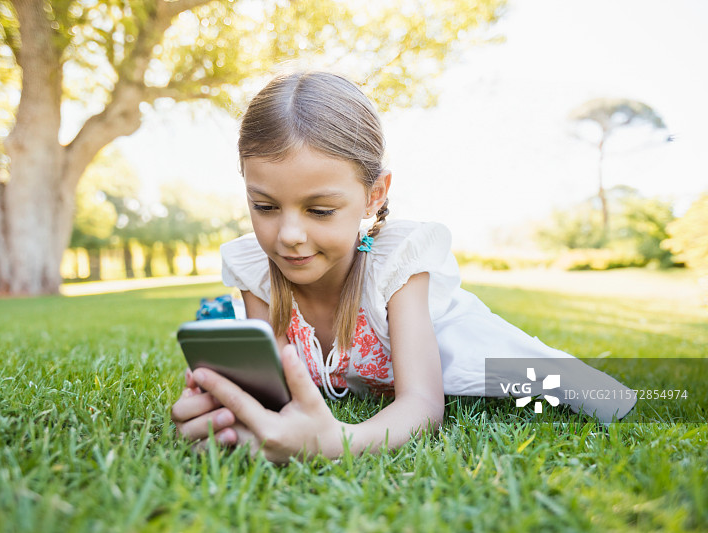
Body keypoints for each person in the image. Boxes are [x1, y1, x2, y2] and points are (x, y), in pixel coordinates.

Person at [170, 71, 636, 463]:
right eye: (265, 206)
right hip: (364, 378)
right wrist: (228, 413)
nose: (288, 235)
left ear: (374, 195)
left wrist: (338, 442)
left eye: (320, 210)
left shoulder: (398, 260)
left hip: (458, 353)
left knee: (591, 394)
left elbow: (424, 405)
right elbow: (278, 395)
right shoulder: (256, 267)